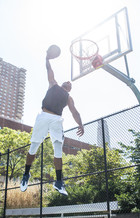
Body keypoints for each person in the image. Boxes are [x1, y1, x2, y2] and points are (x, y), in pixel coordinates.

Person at [20, 45, 84, 195]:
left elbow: (75, 112)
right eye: (67, 81)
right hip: (43, 116)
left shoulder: (69, 97)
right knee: (34, 147)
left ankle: (59, 182)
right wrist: (47, 58)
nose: (68, 82)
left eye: (70, 83)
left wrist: (80, 124)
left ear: (69, 89)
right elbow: (48, 69)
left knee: (58, 150)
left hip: (56, 120)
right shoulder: (53, 84)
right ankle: (26, 175)